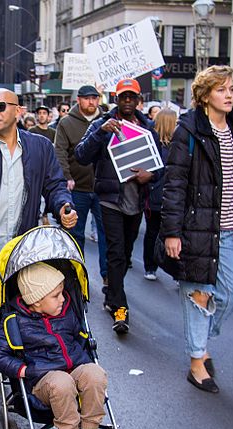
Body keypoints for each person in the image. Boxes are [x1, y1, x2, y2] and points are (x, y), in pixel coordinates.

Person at [0, 87, 76, 421]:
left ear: (18, 110)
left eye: (0, 106)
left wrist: (64, 206)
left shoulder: (40, 147)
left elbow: (55, 185)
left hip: (22, 254)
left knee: (22, 319)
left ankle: (27, 384)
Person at [159, 65, 233, 393]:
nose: (230, 94)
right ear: (205, 96)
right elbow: (174, 184)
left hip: (232, 230)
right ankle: (196, 361)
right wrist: (172, 232)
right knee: (197, 296)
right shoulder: (188, 130)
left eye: (231, 88)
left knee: (232, 295)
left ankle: (201, 342)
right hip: (195, 228)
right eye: (222, 89)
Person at [0, 262, 112, 429]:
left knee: (95, 373)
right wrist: (23, 370)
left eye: (62, 293)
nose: (63, 299)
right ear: (36, 301)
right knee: (61, 382)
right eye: (56, 296)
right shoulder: (17, 322)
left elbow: (80, 338)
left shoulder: (66, 313)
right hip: (43, 382)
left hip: (74, 370)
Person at [75, 78, 162, 334]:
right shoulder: (101, 124)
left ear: (138, 100)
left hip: (136, 201)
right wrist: (101, 132)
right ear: (115, 99)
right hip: (109, 199)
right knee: (115, 252)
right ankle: (119, 307)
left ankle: (112, 292)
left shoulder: (148, 127)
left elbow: (160, 164)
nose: (127, 101)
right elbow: (81, 155)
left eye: (131, 97)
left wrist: (152, 175)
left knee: (124, 254)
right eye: (122, 97)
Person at [54, 85, 107, 282]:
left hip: (103, 189)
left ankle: (107, 277)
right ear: (79, 100)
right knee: (76, 234)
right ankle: (77, 275)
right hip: (77, 187)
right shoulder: (66, 123)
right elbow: (59, 151)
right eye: (87, 98)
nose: (91, 102)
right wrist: (67, 176)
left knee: (106, 235)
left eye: (95, 98)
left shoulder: (108, 120)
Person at [143, 109, 177, 281]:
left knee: (152, 232)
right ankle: (175, 270)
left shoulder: (152, 146)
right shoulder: (178, 148)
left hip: (154, 197)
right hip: (171, 198)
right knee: (173, 233)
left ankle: (150, 267)